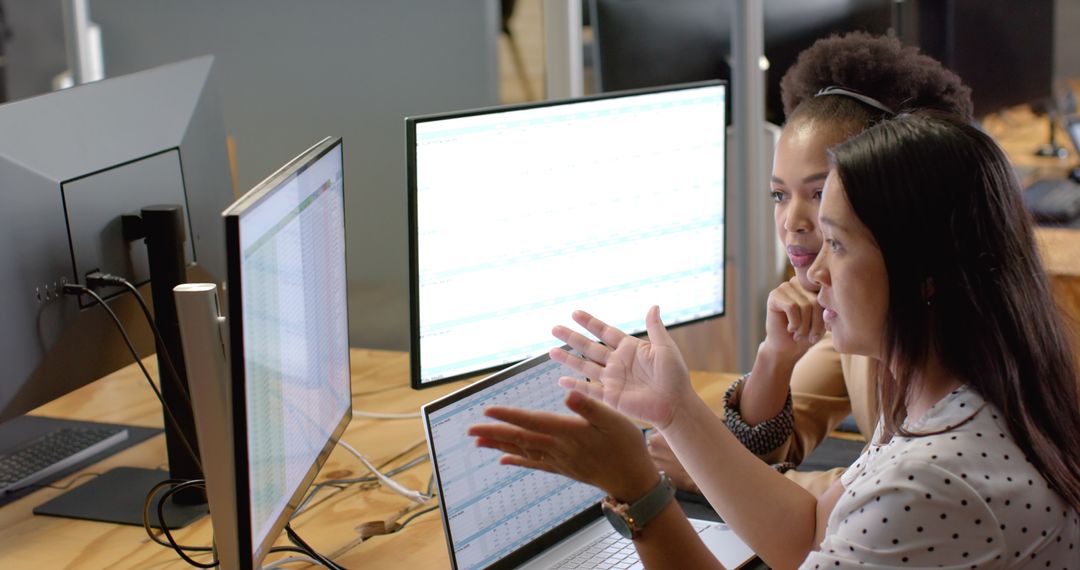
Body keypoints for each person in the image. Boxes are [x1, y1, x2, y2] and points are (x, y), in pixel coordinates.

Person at [469, 112, 1080, 567]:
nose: (812, 273)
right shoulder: (960, 398)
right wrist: (675, 411)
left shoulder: (936, 482)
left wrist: (639, 492)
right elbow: (811, 526)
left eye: (837, 245)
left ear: (924, 275)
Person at [650, 33, 976, 498]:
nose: (793, 223)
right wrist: (775, 356)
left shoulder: (947, 330)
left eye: (821, 194)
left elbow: (891, 497)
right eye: (780, 195)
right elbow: (773, 446)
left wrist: (713, 474)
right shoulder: (853, 307)